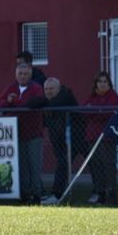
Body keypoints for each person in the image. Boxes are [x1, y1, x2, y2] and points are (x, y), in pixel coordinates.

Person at [0, 62, 47, 204]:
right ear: (16, 75)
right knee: (22, 167)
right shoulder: (11, 88)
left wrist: (17, 105)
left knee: (35, 166)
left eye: (25, 73)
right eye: (20, 73)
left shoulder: (36, 88)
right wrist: (8, 101)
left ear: (30, 74)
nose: (23, 76)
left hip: (33, 133)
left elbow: (37, 102)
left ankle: (37, 195)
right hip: (16, 134)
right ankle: (25, 195)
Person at [83, 71, 118, 205]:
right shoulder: (91, 96)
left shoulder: (113, 96)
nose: (102, 84)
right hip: (92, 137)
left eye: (105, 81)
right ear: (95, 84)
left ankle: (111, 193)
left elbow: (110, 112)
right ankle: (100, 193)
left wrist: (96, 111)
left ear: (109, 83)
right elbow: (86, 111)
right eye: (100, 81)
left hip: (107, 137)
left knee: (108, 165)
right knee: (96, 165)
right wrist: (98, 111)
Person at [39, 77, 79, 205]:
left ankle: (56, 195)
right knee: (62, 165)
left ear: (58, 88)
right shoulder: (48, 104)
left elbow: (54, 103)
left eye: (51, 88)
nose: (48, 91)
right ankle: (58, 194)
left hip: (77, 139)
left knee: (64, 164)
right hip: (59, 141)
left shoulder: (65, 96)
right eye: (46, 89)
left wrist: (42, 103)